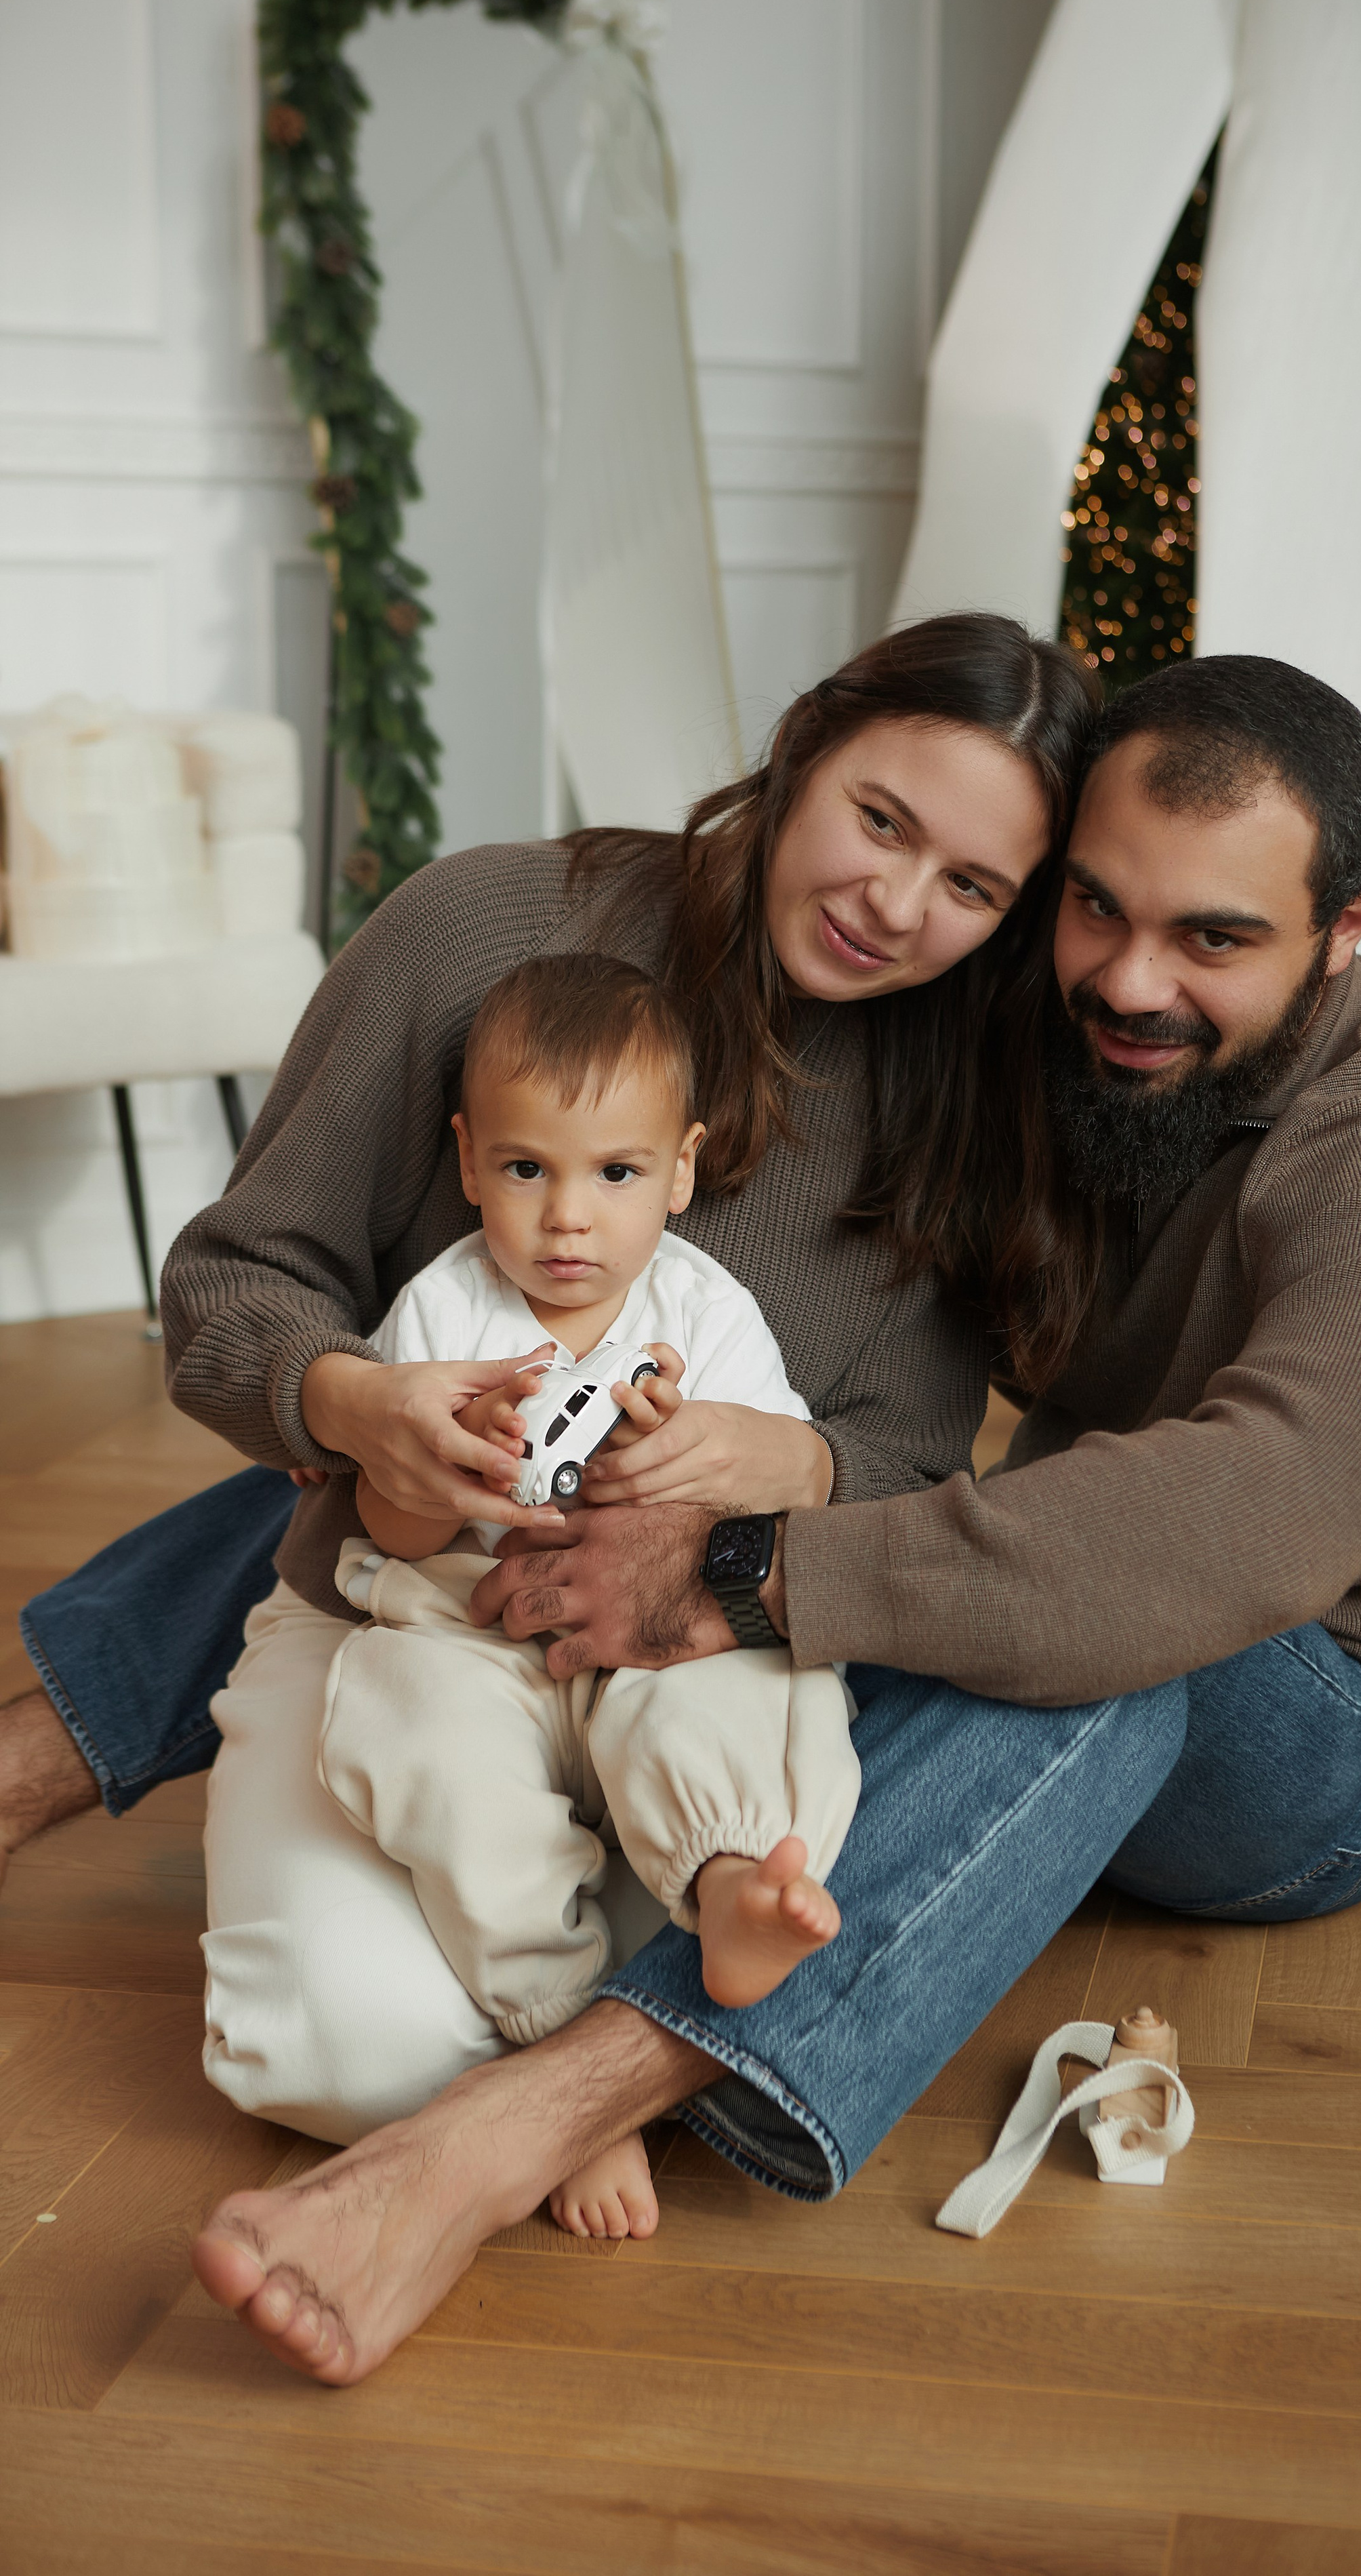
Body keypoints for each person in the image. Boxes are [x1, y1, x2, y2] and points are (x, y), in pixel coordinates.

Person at [9, 648, 1361, 2396]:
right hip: (1066, 1548)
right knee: (517, 1436)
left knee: (1101, 1640)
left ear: (1347, 928)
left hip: (1315, 1722)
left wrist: (748, 1568)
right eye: (1092, 908)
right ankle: (43, 1754)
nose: (1132, 979)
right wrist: (497, 1424)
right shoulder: (1044, 1033)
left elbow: (1213, 1543)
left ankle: (528, 2121)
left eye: (1214, 936)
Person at [207, 949, 866, 2242]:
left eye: (616, 1174)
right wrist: (448, 1459)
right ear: (469, 1162)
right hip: (472, 1631)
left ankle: (731, 1877)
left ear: (682, 1170)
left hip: (653, 1631)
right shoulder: (441, 1311)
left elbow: (774, 1492)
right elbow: (390, 1526)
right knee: (411, 1727)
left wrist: (686, 1461)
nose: (569, 1220)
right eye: (527, 1170)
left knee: (749, 1685)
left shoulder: (708, 1313)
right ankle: (557, 2030)